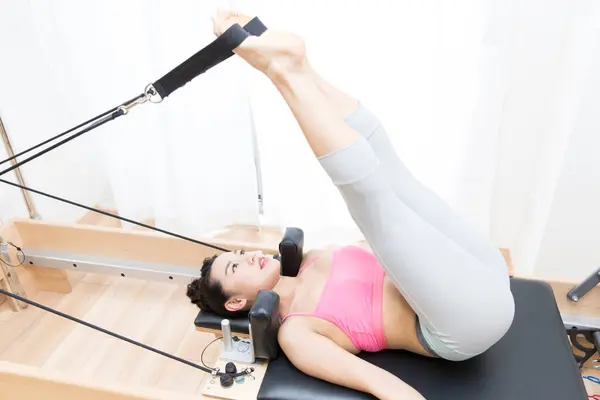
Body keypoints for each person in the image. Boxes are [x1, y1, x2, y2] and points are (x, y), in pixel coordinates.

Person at [186, 10, 515, 400]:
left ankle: (299, 67)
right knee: (373, 201)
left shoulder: (316, 259)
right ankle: (281, 73)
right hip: (464, 326)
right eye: (236, 264)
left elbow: (412, 254)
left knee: (391, 175)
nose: (251, 254)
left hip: (488, 276)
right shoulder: (297, 333)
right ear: (237, 301)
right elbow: (382, 386)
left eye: (241, 251)